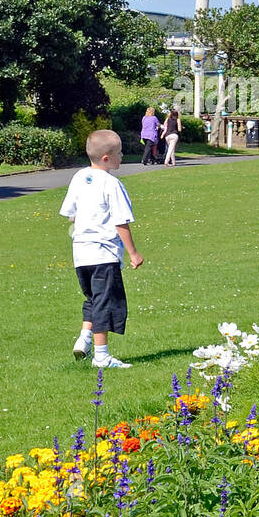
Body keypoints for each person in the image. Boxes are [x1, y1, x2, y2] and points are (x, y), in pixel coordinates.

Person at [59, 129, 144, 369]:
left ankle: (84, 339)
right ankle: (101, 356)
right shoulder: (112, 184)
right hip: (103, 253)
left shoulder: (79, 177)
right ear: (106, 158)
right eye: (119, 153)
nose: (122, 156)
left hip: (81, 253)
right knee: (105, 302)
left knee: (94, 297)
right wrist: (133, 253)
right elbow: (121, 222)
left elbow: (70, 214)